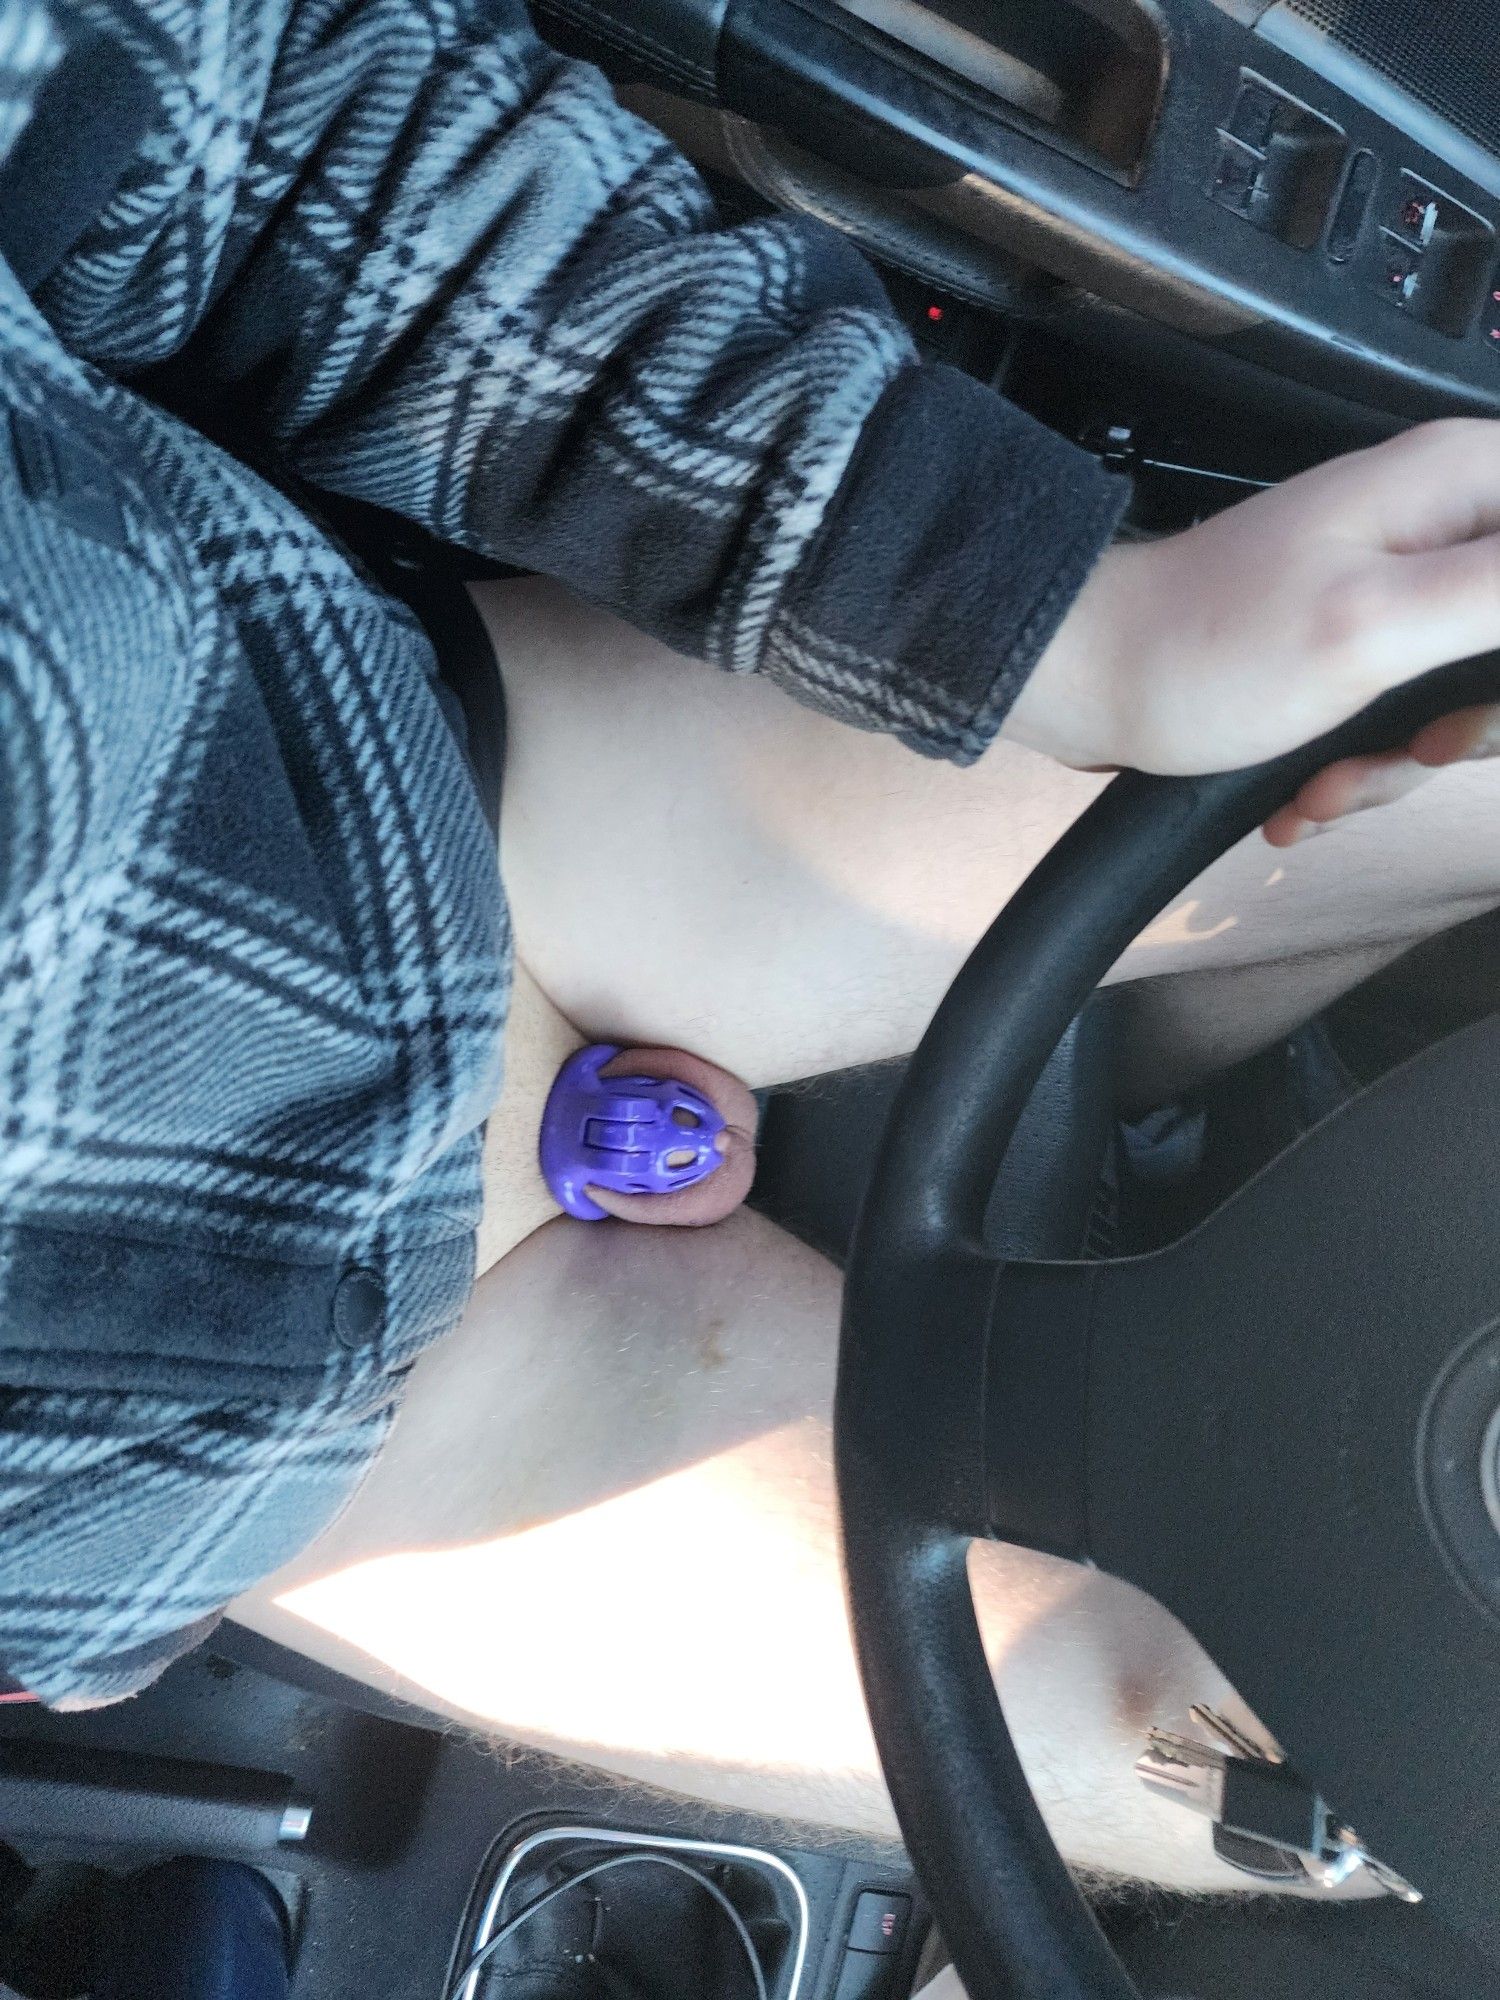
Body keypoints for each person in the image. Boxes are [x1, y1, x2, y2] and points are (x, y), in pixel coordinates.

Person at [5, 0, 1500, 1897]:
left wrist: (1054, 626)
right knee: (1344, 1768)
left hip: (439, 805)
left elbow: (247, 110)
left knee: (1462, 710)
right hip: (328, 1476)